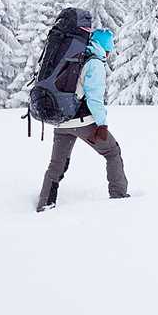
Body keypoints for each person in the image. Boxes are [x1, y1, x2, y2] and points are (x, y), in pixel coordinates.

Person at [37, 28, 129, 211]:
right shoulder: (94, 63)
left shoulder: (74, 57)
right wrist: (102, 124)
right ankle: (119, 196)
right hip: (83, 122)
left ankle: (45, 204)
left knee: (56, 165)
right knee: (112, 152)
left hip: (61, 120)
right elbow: (94, 99)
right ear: (105, 49)